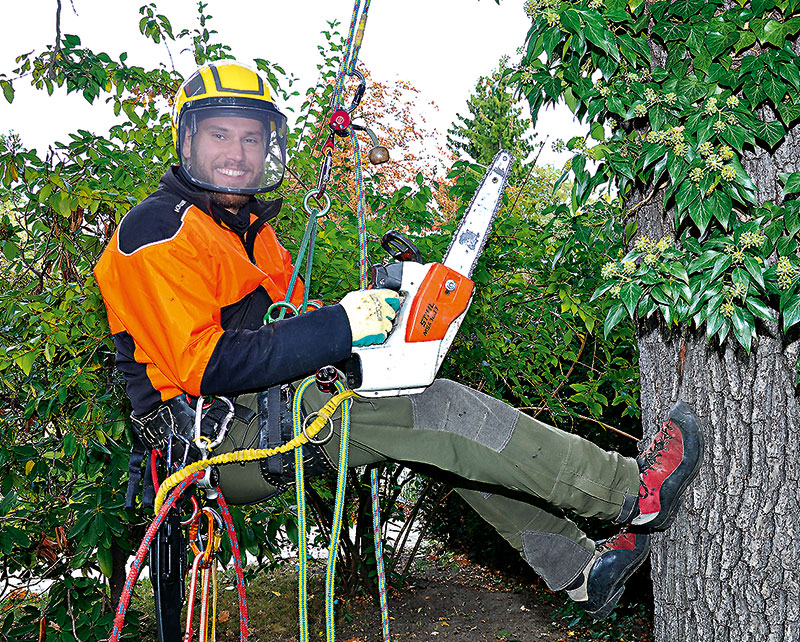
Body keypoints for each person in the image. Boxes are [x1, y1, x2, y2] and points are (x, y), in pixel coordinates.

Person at [93, 61, 704, 620]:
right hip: (203, 438)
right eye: (220, 135)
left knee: (432, 428)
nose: (237, 152)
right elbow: (205, 364)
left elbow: (296, 323)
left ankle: (579, 570)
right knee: (435, 408)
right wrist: (341, 324)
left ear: (268, 146)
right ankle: (630, 492)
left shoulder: (253, 235)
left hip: (261, 408)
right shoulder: (158, 230)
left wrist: (381, 322)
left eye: (251, 137)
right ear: (189, 141)